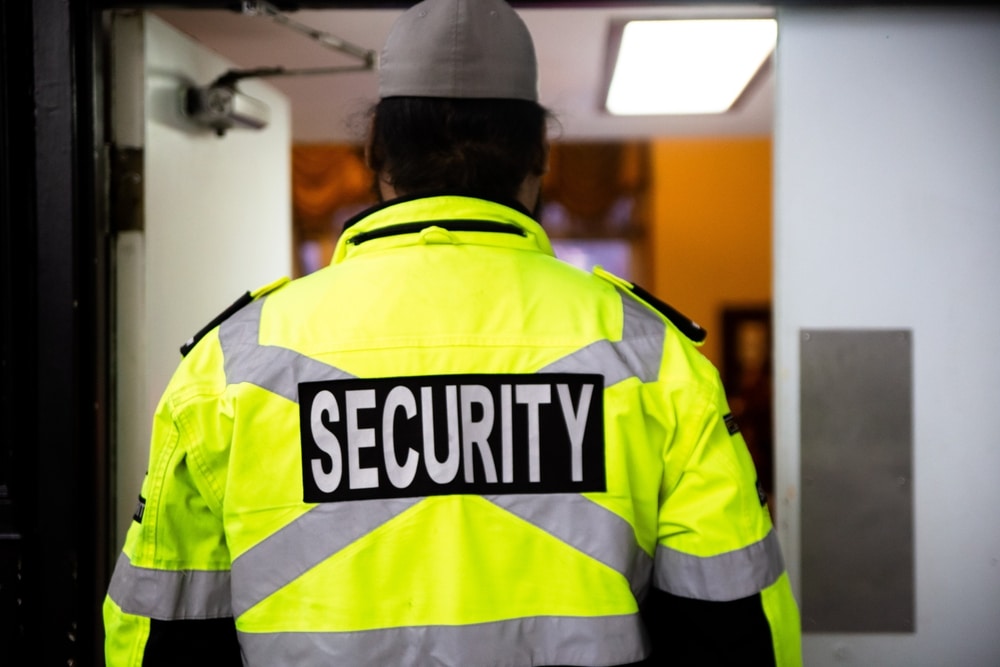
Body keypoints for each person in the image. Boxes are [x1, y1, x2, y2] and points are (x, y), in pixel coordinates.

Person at [103, 0, 802, 664]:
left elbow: (164, 637)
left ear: (375, 149)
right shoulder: (653, 357)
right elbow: (734, 629)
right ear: (541, 154)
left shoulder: (233, 363)